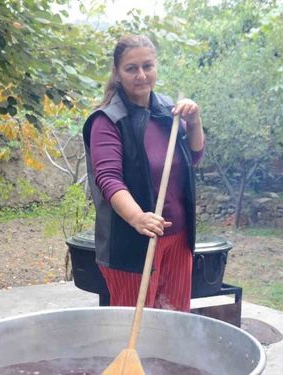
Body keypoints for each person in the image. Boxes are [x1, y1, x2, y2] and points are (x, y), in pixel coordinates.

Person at [82, 34, 205, 312]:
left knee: (174, 321)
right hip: (132, 244)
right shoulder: (108, 120)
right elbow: (108, 179)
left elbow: (193, 157)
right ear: (117, 73)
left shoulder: (167, 111)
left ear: (156, 67)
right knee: (133, 327)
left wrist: (194, 122)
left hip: (177, 237)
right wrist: (137, 218)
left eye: (147, 66)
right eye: (131, 68)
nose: (141, 75)